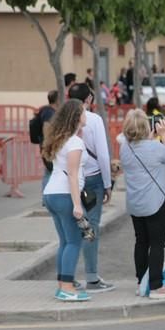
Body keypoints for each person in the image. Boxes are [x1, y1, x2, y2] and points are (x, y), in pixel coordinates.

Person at [118, 109, 165, 299]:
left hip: (135, 204)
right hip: (155, 203)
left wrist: (148, 135)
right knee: (157, 244)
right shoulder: (155, 148)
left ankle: (141, 282)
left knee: (141, 242)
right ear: (147, 127)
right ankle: (156, 286)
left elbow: (132, 140)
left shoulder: (125, 148)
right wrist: (163, 135)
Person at [67, 83, 114, 293]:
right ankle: (92, 277)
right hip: (93, 179)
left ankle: (68, 277)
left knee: (71, 231)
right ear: (88, 100)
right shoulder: (94, 119)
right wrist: (108, 183)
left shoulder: (63, 119)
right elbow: (103, 155)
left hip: (68, 180)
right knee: (90, 229)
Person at [41, 99, 89, 302]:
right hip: (65, 195)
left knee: (65, 241)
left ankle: (63, 283)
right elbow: (72, 175)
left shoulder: (63, 139)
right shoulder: (75, 143)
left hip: (51, 193)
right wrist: (77, 205)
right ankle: (68, 287)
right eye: (85, 112)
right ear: (77, 117)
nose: (87, 115)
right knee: (74, 242)